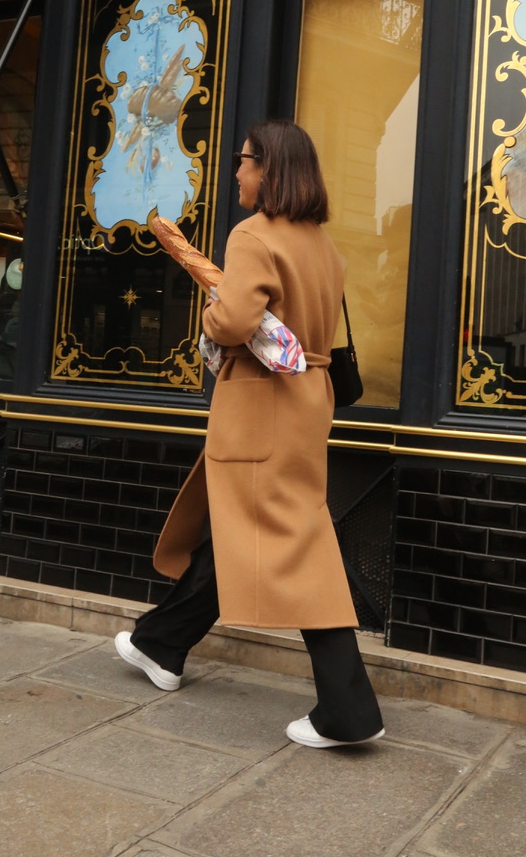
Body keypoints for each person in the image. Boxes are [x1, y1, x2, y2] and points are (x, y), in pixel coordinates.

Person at [114, 118, 384, 748]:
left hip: (261, 406)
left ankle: (346, 709)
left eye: (243, 161)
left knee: (295, 542)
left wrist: (211, 306)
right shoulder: (323, 244)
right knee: (249, 529)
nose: (236, 171)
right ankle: (162, 644)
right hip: (304, 403)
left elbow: (233, 320)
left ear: (271, 169)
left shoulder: (252, 235)